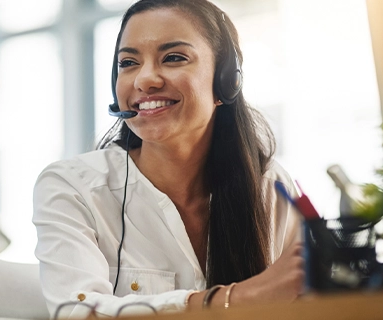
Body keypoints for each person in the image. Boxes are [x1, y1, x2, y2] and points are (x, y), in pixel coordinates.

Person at [32, 0, 305, 317]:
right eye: (128, 63)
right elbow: (77, 311)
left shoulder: (272, 187)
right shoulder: (73, 187)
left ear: (226, 81)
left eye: (173, 58)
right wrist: (236, 298)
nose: (144, 79)